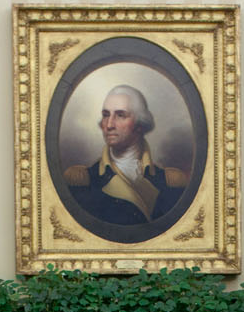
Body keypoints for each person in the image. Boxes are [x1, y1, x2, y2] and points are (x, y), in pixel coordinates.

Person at [63, 84, 187, 227]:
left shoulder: (170, 182)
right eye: (105, 115)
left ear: (140, 124)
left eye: (120, 115)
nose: (109, 125)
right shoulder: (81, 181)